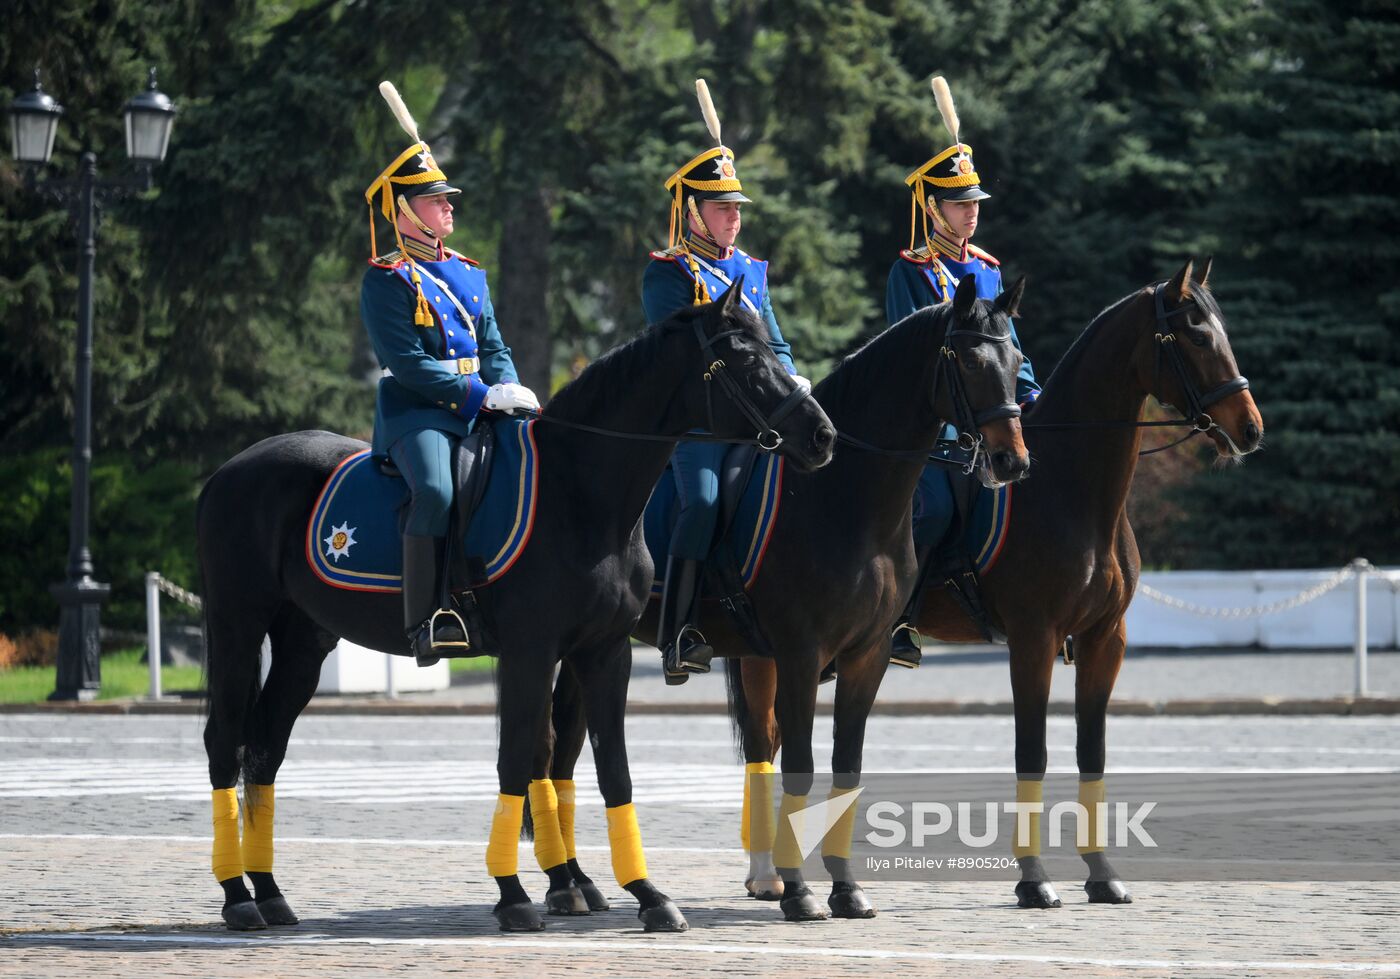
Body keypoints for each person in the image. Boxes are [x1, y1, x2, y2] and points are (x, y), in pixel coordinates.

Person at [360, 82, 539, 665]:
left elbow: (493, 344)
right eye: (437, 200)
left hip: (480, 402)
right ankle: (425, 620)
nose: (449, 207)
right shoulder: (385, 279)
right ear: (407, 210)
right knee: (436, 489)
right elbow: (408, 365)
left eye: (447, 198)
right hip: (418, 413)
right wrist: (481, 394)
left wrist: (509, 389)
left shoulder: (469, 273)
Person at [642, 80, 811, 685]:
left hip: (761, 416)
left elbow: (776, 338)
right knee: (706, 503)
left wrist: (790, 374)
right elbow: (675, 358)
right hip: (701, 426)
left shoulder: (749, 271)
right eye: (723, 209)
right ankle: (680, 629)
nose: (735, 220)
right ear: (692, 211)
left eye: (738, 209)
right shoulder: (669, 274)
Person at [884, 77, 1040, 669]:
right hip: (935, 427)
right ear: (933, 206)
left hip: (989, 418)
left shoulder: (989, 270)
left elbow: (1009, 346)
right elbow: (909, 358)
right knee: (941, 508)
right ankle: (902, 617)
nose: (971, 214)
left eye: (975, 204)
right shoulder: (911, 271)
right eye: (959, 203)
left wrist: (1033, 397)